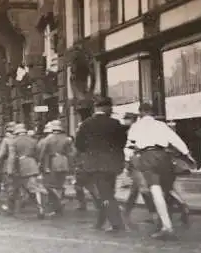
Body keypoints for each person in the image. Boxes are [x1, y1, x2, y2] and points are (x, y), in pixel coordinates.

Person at [127, 103, 192, 239]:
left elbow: (130, 146)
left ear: (141, 113)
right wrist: (187, 154)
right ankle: (179, 207)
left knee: (155, 190)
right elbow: (175, 140)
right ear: (152, 112)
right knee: (166, 188)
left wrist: (129, 160)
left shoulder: (136, 126)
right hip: (163, 156)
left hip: (147, 156)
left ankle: (167, 226)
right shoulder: (161, 125)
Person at [75, 96, 126, 233]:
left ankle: (116, 224)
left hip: (95, 164)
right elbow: (122, 143)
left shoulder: (86, 124)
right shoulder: (115, 123)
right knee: (109, 192)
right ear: (106, 107)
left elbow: (79, 145)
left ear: (96, 108)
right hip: (113, 164)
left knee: (105, 194)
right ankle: (102, 221)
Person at [9, 123, 47, 219]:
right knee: (34, 188)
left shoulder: (14, 141)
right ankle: (40, 207)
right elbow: (38, 154)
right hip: (32, 165)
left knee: (13, 188)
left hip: (19, 166)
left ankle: (10, 209)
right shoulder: (33, 140)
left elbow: (12, 157)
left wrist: (10, 169)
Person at [38, 120, 73, 216]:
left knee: (49, 185)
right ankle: (59, 202)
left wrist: (40, 162)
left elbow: (43, 152)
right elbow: (70, 152)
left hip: (53, 162)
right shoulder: (67, 139)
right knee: (59, 184)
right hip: (64, 162)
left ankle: (57, 204)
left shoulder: (48, 139)